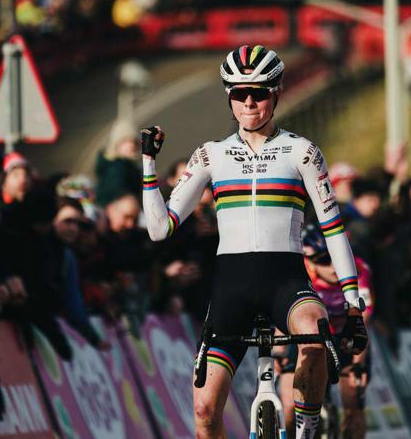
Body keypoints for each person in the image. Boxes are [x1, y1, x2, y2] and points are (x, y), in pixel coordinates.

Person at [141, 44, 368, 439]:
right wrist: (148, 165)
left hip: (287, 283)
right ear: (229, 97)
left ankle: (306, 429)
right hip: (232, 290)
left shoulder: (302, 152)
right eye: (239, 93)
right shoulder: (211, 155)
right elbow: (160, 228)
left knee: (314, 334)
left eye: (259, 93)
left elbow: (333, 229)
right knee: (204, 410)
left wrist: (352, 304)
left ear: (276, 94)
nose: (249, 102)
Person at [277, 226, 373, 438]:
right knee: (289, 407)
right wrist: (278, 352)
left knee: (353, 404)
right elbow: (281, 313)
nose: (332, 266)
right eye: (323, 260)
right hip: (307, 339)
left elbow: (363, 322)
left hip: (346, 336)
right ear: (309, 261)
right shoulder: (299, 273)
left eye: (336, 257)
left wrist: (358, 365)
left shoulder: (358, 269)